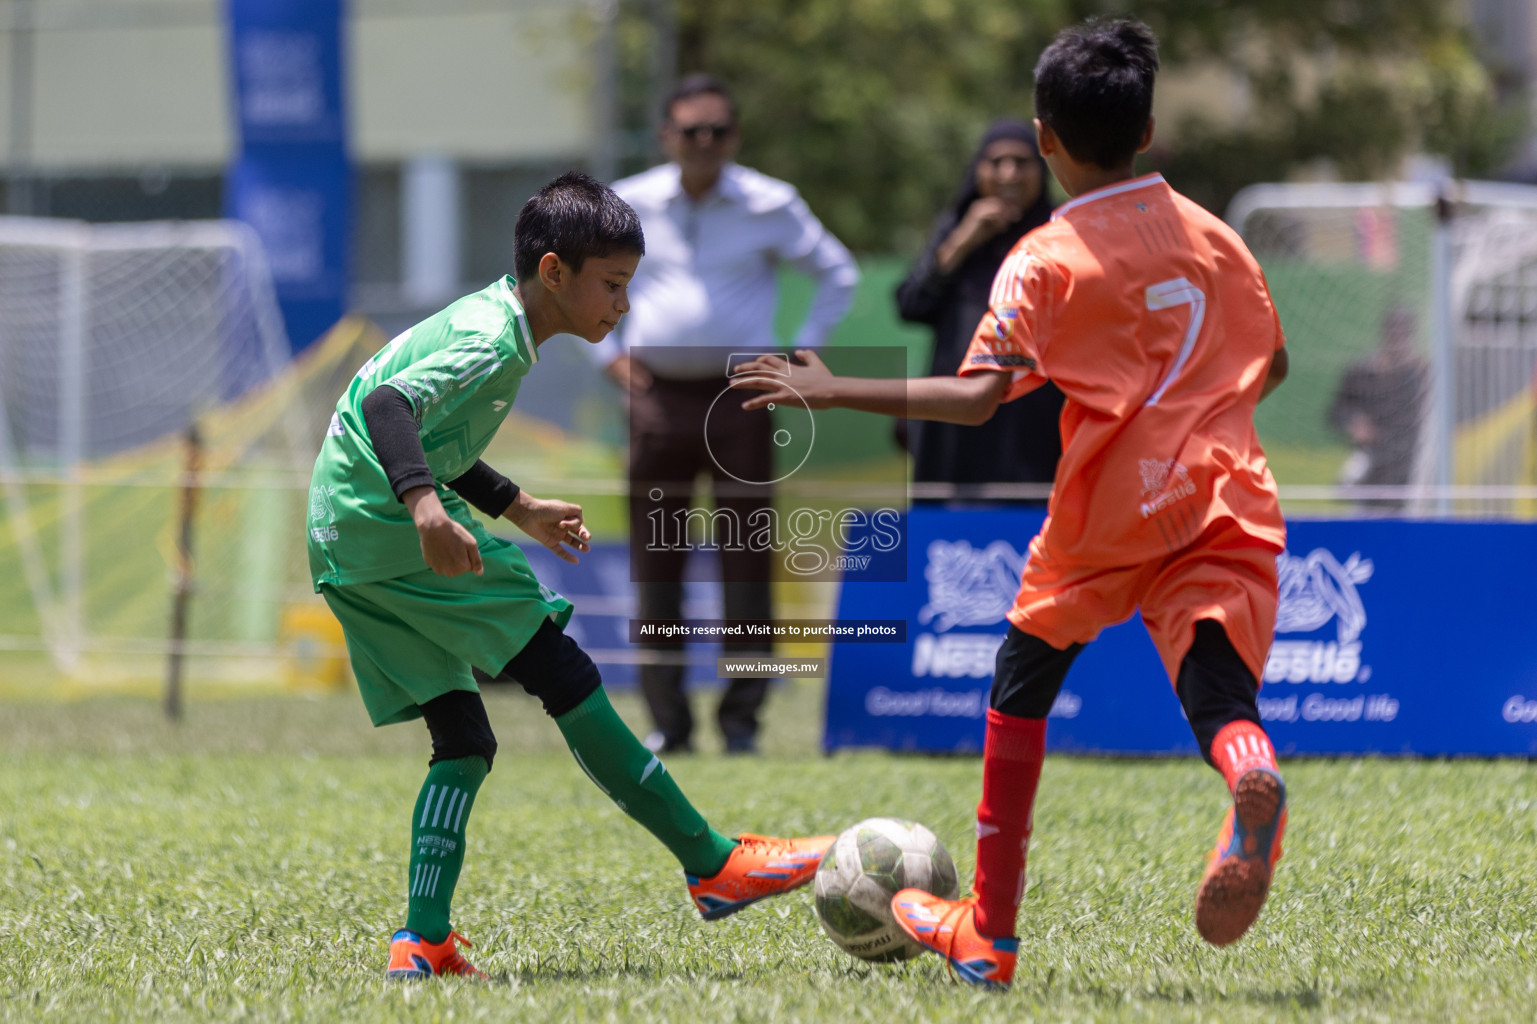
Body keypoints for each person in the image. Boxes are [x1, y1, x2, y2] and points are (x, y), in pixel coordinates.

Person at [734, 18, 1291, 990]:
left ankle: (989, 931)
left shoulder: (1046, 256)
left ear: (1044, 138)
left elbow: (978, 392)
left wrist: (835, 387)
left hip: (1109, 510)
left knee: (1018, 689)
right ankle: (1249, 768)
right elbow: (1270, 362)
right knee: (1215, 689)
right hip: (1221, 487)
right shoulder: (1214, 235)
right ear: (1148, 129)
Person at [306, 172, 832, 981]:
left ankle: (421, 940)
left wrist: (516, 507)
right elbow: (388, 409)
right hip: (385, 527)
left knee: (463, 737)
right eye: (612, 285)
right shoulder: (491, 340)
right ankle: (710, 862)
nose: (622, 306)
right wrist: (423, 509)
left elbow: (432, 431)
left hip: (343, 538)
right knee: (563, 669)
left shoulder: (494, 325)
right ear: (553, 272)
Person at [594, 74, 859, 755]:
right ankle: (668, 724)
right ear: (666, 136)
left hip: (743, 396)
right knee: (657, 563)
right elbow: (588, 277)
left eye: (717, 131)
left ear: (734, 136)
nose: (704, 143)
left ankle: (742, 723)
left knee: (746, 563)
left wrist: (804, 354)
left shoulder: (771, 202)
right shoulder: (630, 201)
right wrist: (609, 354)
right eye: (690, 131)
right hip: (654, 398)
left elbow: (837, 272)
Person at [895, 119, 1065, 493]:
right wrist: (962, 241)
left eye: (1022, 162)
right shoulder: (957, 228)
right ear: (978, 170)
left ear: (1041, 170)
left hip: (1033, 420)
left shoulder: (1059, 234)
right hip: (956, 421)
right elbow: (911, 304)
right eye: (996, 162)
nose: (1009, 173)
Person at [1328, 306, 1428, 510]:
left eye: (1403, 331)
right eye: (1393, 331)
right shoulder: (1362, 372)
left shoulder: (1423, 374)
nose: (1397, 337)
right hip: (1372, 466)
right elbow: (1335, 411)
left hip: (1413, 468)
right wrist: (1353, 423)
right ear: (1385, 332)